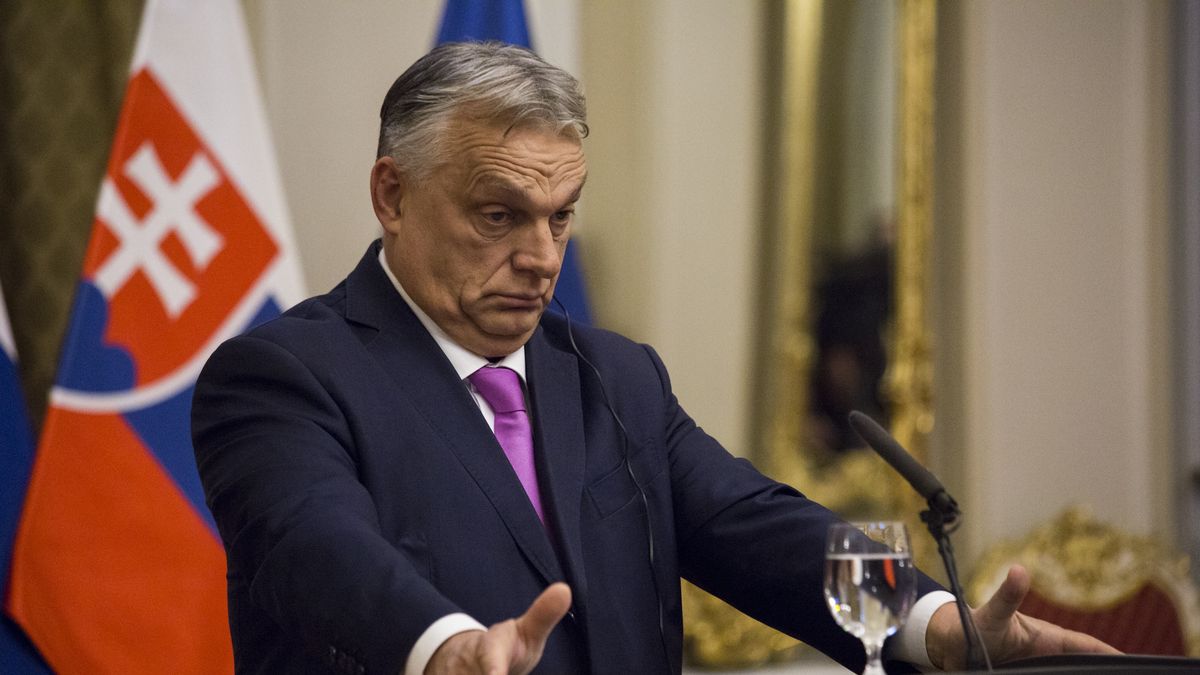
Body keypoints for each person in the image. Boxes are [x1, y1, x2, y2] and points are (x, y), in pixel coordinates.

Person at [191, 41, 1116, 674]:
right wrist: (440, 644)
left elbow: (761, 530)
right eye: (499, 214)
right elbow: (316, 543)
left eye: (562, 217)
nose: (544, 257)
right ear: (393, 196)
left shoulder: (612, 376)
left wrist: (931, 622)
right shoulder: (284, 378)